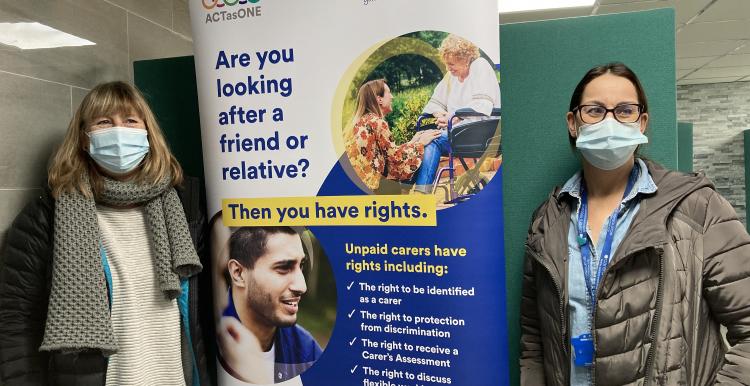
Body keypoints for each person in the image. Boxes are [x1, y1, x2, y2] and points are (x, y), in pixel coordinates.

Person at [520, 62, 750, 385]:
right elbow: (534, 341)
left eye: (624, 111)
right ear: (573, 123)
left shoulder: (698, 209)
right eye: (595, 110)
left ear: (641, 122)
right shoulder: (547, 222)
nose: (610, 121)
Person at [0, 81, 209, 385]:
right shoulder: (46, 217)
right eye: (104, 122)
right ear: (84, 139)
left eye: (130, 121)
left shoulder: (183, 210)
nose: (119, 131)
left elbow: (203, 308)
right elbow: (15, 320)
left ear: (148, 134)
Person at [218, 226, 319, 384]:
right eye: (284, 268)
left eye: (301, 266)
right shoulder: (212, 338)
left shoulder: (305, 348)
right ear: (238, 273)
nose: (302, 286)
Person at [413, 34, 501, 193]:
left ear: (465, 58)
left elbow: (483, 104)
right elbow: (435, 102)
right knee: (427, 136)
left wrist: (453, 117)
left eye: (451, 63)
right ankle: (418, 189)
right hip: (458, 132)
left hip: (481, 131)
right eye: (446, 64)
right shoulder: (451, 76)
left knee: (433, 140)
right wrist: (440, 114)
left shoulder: (480, 66)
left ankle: (421, 193)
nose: (448, 68)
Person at [345, 79, 440, 192]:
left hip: (355, 187)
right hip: (373, 189)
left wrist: (411, 143)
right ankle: (420, 195)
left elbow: (386, 154)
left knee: (412, 158)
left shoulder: (360, 122)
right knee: (418, 157)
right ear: (379, 99)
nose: (392, 97)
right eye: (389, 93)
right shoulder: (377, 123)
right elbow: (395, 161)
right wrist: (420, 144)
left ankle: (407, 194)